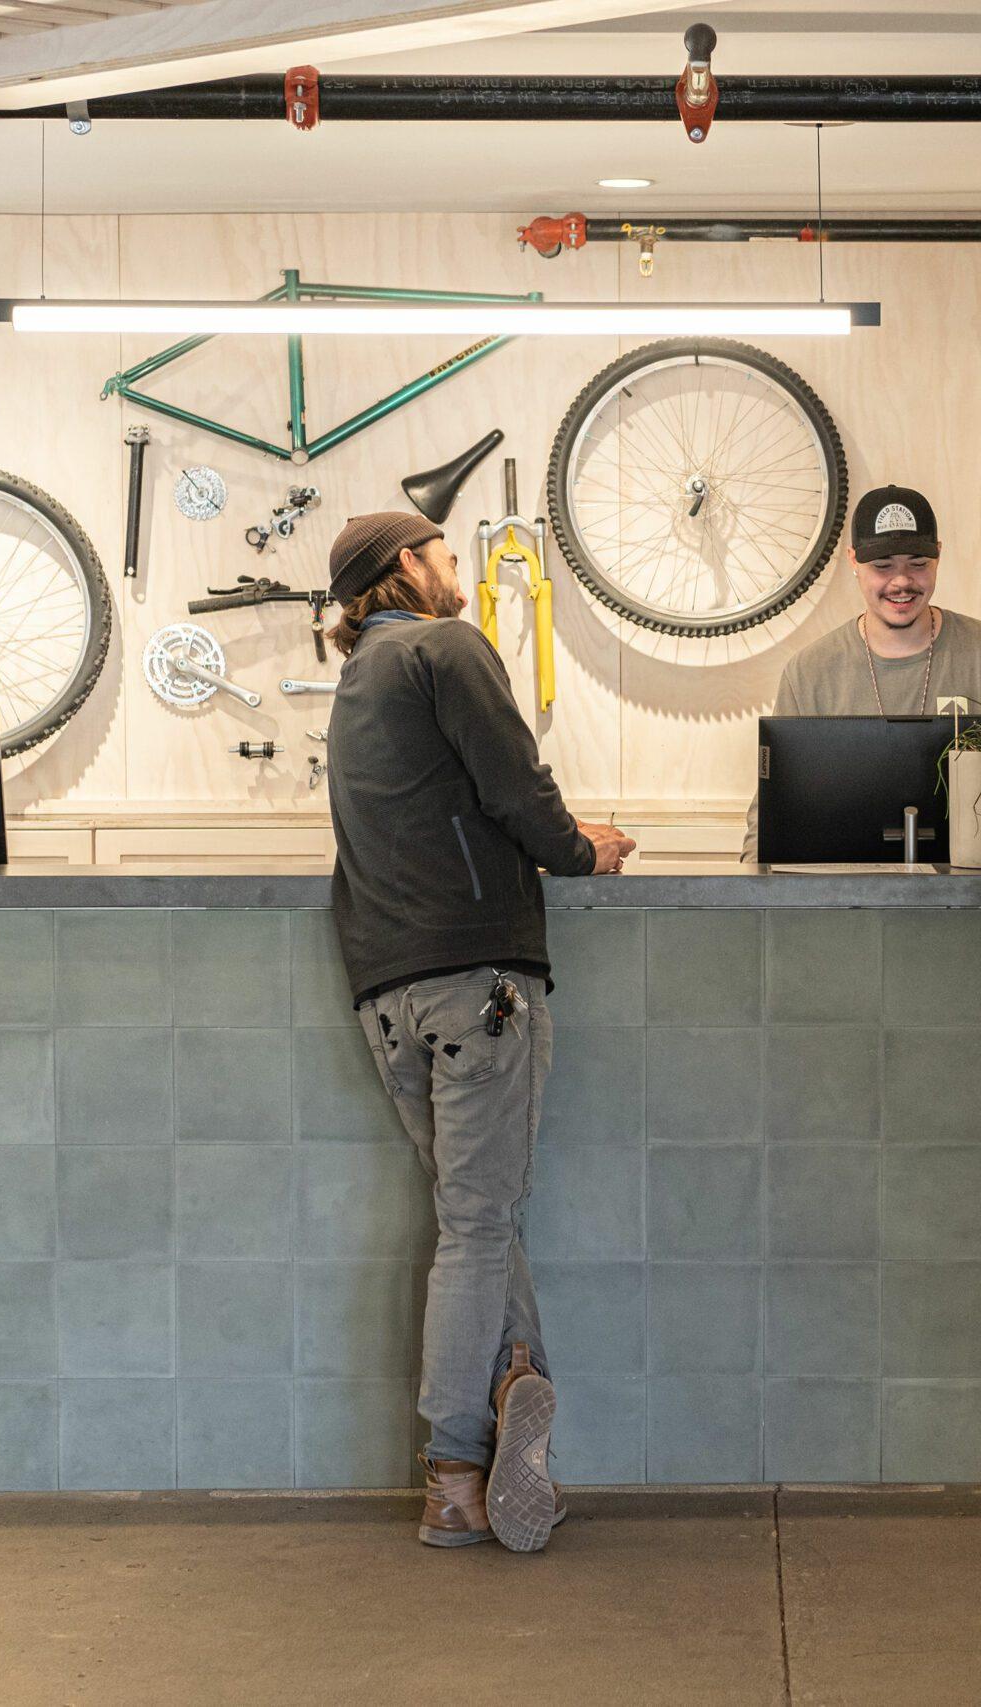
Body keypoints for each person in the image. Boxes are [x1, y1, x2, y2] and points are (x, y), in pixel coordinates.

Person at [320, 510, 636, 1552]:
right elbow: (514, 785)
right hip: (477, 983)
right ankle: (454, 1473)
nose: (457, 570)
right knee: (475, 1225)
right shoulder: (444, 645)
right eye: (446, 554)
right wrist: (579, 852)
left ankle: (515, 1386)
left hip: (385, 992)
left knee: (477, 1218)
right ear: (408, 567)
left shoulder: (358, 682)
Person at [743, 485, 981, 860]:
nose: (901, 581)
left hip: (973, 889)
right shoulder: (810, 671)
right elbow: (774, 804)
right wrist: (753, 882)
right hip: (846, 893)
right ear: (853, 562)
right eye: (882, 566)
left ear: (938, 556)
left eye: (917, 563)